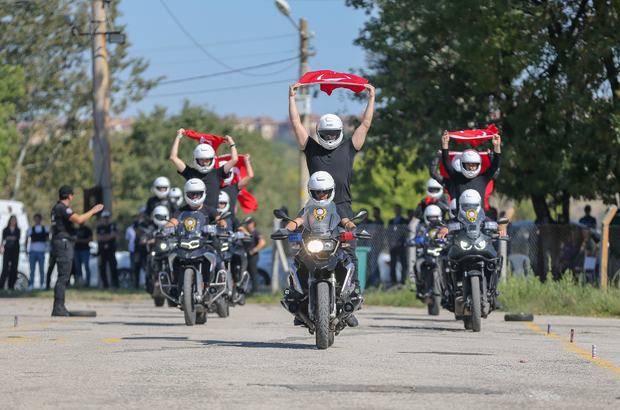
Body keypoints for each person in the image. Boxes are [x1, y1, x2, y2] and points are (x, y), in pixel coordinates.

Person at [288, 81, 376, 303]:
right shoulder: (310, 148)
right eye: (325, 134)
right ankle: (299, 293)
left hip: (342, 206)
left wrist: (371, 98)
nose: (328, 138)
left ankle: (352, 296)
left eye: (332, 134)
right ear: (319, 133)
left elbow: (365, 124)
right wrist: (291, 98)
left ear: (339, 133)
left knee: (349, 253)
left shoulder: (348, 148)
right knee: (300, 251)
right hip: (313, 207)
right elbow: (296, 123)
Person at [283, 171, 360, 327]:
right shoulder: (308, 208)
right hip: (311, 245)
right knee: (297, 262)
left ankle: (349, 305)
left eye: (325, 191)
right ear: (312, 192)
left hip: (332, 245)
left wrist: (353, 228)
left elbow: (346, 221)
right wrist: (286, 229)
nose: (322, 194)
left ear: (331, 191)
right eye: (318, 191)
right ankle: (298, 301)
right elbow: (298, 221)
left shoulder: (336, 208)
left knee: (347, 262)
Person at [50, 185, 103, 316]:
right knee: (63, 276)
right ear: (69, 196)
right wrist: (93, 210)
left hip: (61, 243)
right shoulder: (62, 208)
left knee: (64, 275)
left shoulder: (56, 208)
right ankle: (58, 307)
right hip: (63, 244)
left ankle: (60, 306)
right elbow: (79, 219)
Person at [169, 128, 238, 208]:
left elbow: (234, 159)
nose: (204, 162)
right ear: (196, 159)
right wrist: (177, 138)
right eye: (201, 160)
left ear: (212, 159)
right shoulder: (190, 173)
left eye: (207, 160)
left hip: (212, 216)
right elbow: (173, 158)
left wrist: (232, 143)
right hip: (194, 214)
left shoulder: (217, 173)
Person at [441, 131, 501, 210]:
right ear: (462, 164)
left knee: (494, 223)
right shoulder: (456, 178)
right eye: (468, 164)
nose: (471, 167)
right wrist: (445, 144)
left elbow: (495, 165)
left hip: (480, 220)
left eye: (474, 165)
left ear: (478, 165)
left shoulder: (483, 179)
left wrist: (497, 145)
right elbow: (446, 163)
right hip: (460, 220)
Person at [220, 153, 254, 218]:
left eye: (228, 173)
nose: (226, 175)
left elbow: (250, 176)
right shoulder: (213, 186)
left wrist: (246, 160)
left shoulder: (234, 188)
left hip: (231, 222)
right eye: (223, 173)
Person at [25, 213, 49, 290]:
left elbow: (47, 239)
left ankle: (42, 284)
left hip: (41, 251)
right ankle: (31, 284)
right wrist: (26, 250)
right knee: (32, 270)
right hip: (33, 251)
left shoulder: (45, 229)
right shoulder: (31, 229)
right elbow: (27, 239)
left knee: (41, 269)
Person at [388, 205, 409, 288]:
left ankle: (403, 281)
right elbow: (388, 233)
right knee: (392, 264)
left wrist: (400, 243)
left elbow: (405, 234)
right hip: (393, 246)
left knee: (404, 264)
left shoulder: (404, 221)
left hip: (401, 246)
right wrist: (392, 242)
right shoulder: (391, 221)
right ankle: (393, 281)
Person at [96, 210, 119, 289]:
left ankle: (115, 284)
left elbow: (114, 235)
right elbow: (98, 238)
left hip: (111, 250)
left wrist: (104, 237)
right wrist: (108, 236)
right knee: (102, 268)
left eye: (107, 217)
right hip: (102, 251)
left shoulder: (112, 226)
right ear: (102, 218)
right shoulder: (99, 227)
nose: (106, 219)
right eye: (104, 217)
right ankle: (105, 284)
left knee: (113, 267)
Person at [244, 217, 266, 294]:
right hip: (245, 256)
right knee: (246, 273)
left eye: (249, 223)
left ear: (253, 223)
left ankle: (255, 291)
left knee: (253, 273)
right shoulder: (246, 233)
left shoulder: (256, 233)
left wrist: (254, 250)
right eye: (247, 223)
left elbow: (262, 242)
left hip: (253, 256)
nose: (248, 225)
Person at [0, 215, 21, 290]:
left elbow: (17, 238)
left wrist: (9, 237)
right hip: (7, 250)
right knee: (5, 267)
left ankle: (11, 285)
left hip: (15, 250)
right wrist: (1, 247)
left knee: (14, 267)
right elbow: (3, 239)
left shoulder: (18, 230)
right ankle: (1, 285)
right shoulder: (5, 229)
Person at [73, 222, 93, 287]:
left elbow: (90, 239)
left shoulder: (87, 229)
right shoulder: (76, 230)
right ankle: (80, 283)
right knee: (78, 268)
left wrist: (81, 240)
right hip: (76, 251)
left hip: (85, 251)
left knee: (86, 267)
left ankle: (88, 283)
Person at [125, 215, 138, 288]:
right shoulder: (129, 229)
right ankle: (133, 283)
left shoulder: (140, 228)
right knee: (132, 268)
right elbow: (128, 240)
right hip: (132, 250)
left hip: (139, 250)